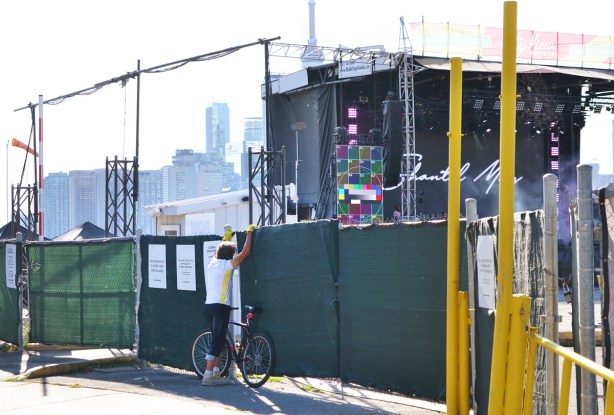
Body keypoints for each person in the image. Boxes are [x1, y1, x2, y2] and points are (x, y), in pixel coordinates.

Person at [202, 224, 257, 386]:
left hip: (208, 307)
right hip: (221, 307)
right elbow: (245, 253)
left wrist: (226, 238)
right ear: (229, 256)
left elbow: (218, 251)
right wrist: (249, 233)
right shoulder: (227, 266)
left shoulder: (212, 263)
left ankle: (216, 373)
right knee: (217, 341)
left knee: (219, 339)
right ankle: (208, 376)